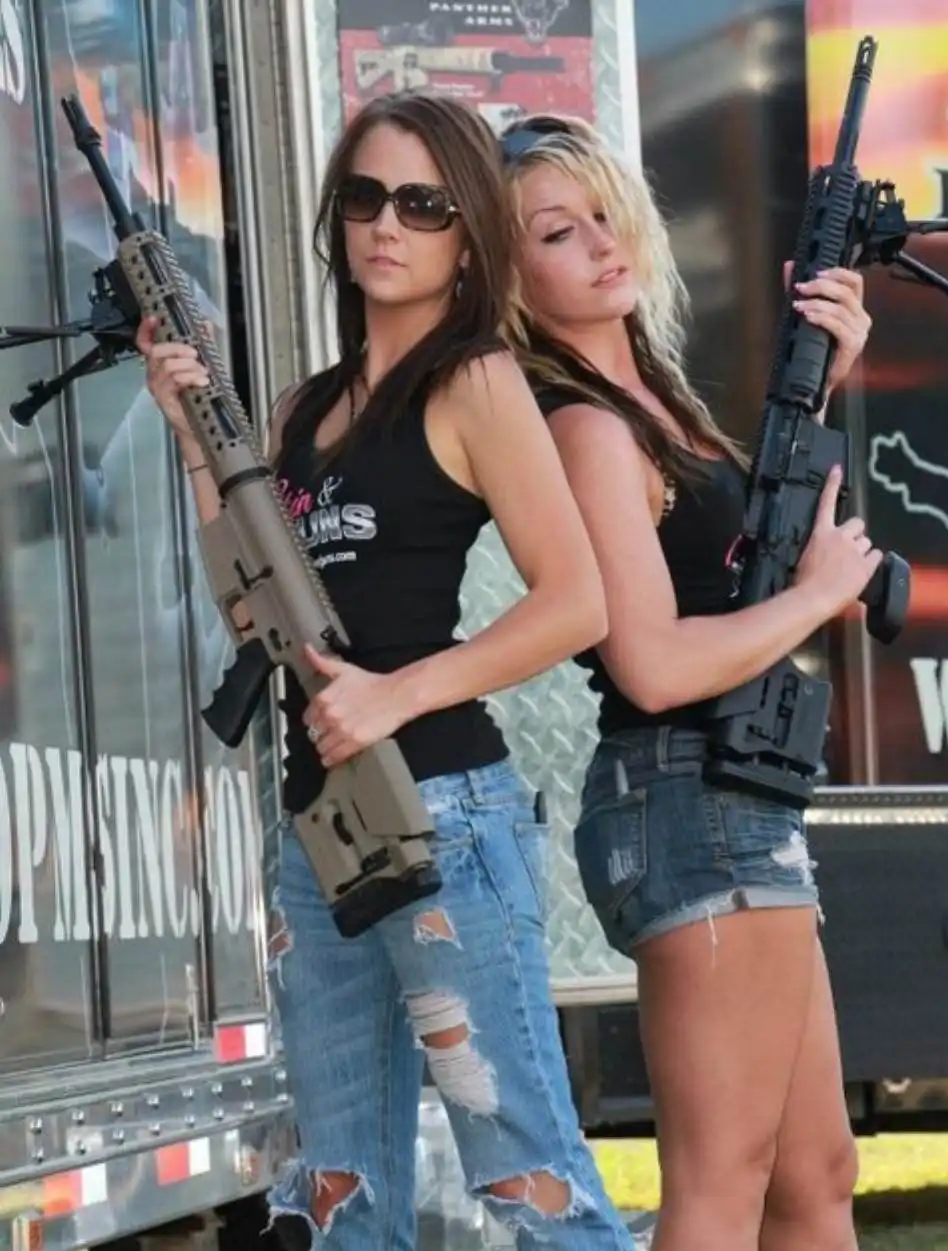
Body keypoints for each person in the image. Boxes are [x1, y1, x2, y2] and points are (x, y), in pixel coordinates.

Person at [138, 93, 636, 1251]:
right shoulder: (305, 409)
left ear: (469, 236)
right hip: (318, 831)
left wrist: (392, 694)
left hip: (442, 816)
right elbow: (253, 607)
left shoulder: (474, 383)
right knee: (337, 1195)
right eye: (364, 198)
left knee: (524, 1181)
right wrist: (193, 440)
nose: (386, 226)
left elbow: (576, 603)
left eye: (422, 204)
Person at [499, 113, 877, 1251]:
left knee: (813, 1175)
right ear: (508, 274)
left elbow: (740, 568)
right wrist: (814, 600)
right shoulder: (585, 427)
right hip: (685, 794)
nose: (601, 243)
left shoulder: (651, 397)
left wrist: (820, 378)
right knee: (722, 1183)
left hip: (736, 793)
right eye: (558, 232)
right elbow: (651, 664)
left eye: (607, 213)